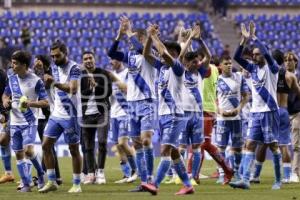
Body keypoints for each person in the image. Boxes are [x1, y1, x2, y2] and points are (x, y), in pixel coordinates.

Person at [141, 24, 194, 196]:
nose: (167, 53)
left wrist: (154, 36)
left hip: (175, 115)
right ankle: (187, 185)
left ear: (177, 55)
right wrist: (149, 37)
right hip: (163, 115)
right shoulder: (161, 68)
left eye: (172, 51)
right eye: (168, 50)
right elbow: (146, 54)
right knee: (173, 153)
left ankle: (155, 184)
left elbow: (162, 52)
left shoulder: (177, 68)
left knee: (164, 150)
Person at [230, 21, 282, 190]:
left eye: (258, 54)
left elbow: (267, 53)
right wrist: (244, 40)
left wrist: (255, 37)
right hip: (255, 112)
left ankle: (278, 180)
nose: (255, 56)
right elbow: (237, 58)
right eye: (253, 54)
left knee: (273, 146)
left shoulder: (273, 68)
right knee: (250, 144)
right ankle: (245, 180)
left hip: (270, 111)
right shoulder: (252, 69)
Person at [108, 16, 156, 191]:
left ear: (142, 38)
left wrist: (129, 32)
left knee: (145, 141)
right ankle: (144, 182)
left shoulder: (149, 54)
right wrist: (119, 35)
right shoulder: (130, 56)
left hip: (147, 101)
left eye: (135, 37)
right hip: (132, 104)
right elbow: (111, 53)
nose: (130, 42)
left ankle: (151, 179)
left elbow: (140, 48)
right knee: (136, 144)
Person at [38, 40, 82, 193]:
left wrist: (54, 83)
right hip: (56, 114)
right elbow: (47, 86)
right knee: (45, 146)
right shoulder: (53, 67)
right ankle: (51, 181)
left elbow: (73, 89)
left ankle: (77, 184)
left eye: (57, 56)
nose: (55, 59)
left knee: (73, 149)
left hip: (71, 115)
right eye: (52, 56)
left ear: (65, 53)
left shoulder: (74, 68)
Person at [250, 50, 300, 184]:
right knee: (284, 145)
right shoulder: (290, 76)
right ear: (282, 61)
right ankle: (288, 176)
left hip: (270, 110)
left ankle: (255, 175)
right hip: (283, 111)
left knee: (263, 144)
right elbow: (298, 92)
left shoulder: (268, 73)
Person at [2, 50, 48, 192]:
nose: (12, 65)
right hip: (14, 122)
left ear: (24, 65)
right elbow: (5, 94)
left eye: (15, 63)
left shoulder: (36, 81)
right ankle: (27, 184)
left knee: (28, 151)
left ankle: (41, 173)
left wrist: (29, 103)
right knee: (19, 153)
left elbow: (45, 102)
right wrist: (5, 102)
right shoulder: (12, 79)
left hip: (29, 121)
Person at [177, 24, 211, 185]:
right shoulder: (180, 71)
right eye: (195, 61)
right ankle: (181, 175)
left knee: (197, 146)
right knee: (182, 147)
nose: (198, 63)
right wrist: (189, 38)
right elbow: (179, 56)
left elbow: (209, 57)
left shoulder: (200, 73)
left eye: (198, 61)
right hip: (183, 113)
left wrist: (200, 40)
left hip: (197, 114)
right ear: (188, 62)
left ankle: (195, 175)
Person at [216, 54, 249, 183]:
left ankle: (236, 173)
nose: (229, 65)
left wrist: (238, 109)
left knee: (238, 148)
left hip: (237, 119)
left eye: (230, 63)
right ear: (220, 66)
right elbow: (212, 99)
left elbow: (246, 96)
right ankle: (222, 173)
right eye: (226, 63)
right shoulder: (216, 80)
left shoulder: (239, 77)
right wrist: (219, 110)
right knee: (221, 148)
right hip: (222, 119)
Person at [80, 51, 112, 184]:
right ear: (83, 62)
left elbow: (108, 91)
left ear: (95, 59)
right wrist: (90, 88)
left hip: (101, 113)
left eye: (90, 58)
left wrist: (96, 85)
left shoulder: (103, 73)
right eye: (85, 59)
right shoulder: (81, 77)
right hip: (86, 115)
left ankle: (100, 172)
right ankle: (91, 173)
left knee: (102, 142)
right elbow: (81, 95)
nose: (88, 60)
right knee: (88, 146)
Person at [33, 54, 62, 185]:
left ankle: (45, 175)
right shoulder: (35, 75)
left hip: (48, 114)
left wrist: (38, 72)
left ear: (44, 63)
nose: (35, 64)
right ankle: (56, 176)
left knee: (47, 146)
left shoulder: (48, 76)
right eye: (34, 62)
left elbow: (42, 86)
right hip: (40, 115)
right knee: (48, 147)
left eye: (38, 62)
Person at [108, 59, 137, 184]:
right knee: (118, 146)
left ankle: (136, 171)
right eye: (110, 59)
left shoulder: (127, 73)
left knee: (123, 143)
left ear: (119, 59)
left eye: (113, 59)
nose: (111, 62)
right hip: (113, 114)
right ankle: (126, 175)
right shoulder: (110, 75)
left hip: (125, 113)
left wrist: (113, 78)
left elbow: (128, 89)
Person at [286, 51, 300, 182]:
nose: (287, 62)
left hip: (296, 113)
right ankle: (285, 172)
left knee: (296, 145)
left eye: (290, 60)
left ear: (295, 62)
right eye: (285, 60)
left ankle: (295, 173)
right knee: (280, 144)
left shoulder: (299, 78)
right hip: (283, 114)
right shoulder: (281, 78)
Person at [0, 68, 14, 184]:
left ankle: (39, 174)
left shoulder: (2, 75)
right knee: (3, 142)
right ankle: (8, 173)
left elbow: (4, 95)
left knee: (4, 141)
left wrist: (3, 112)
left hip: (5, 113)